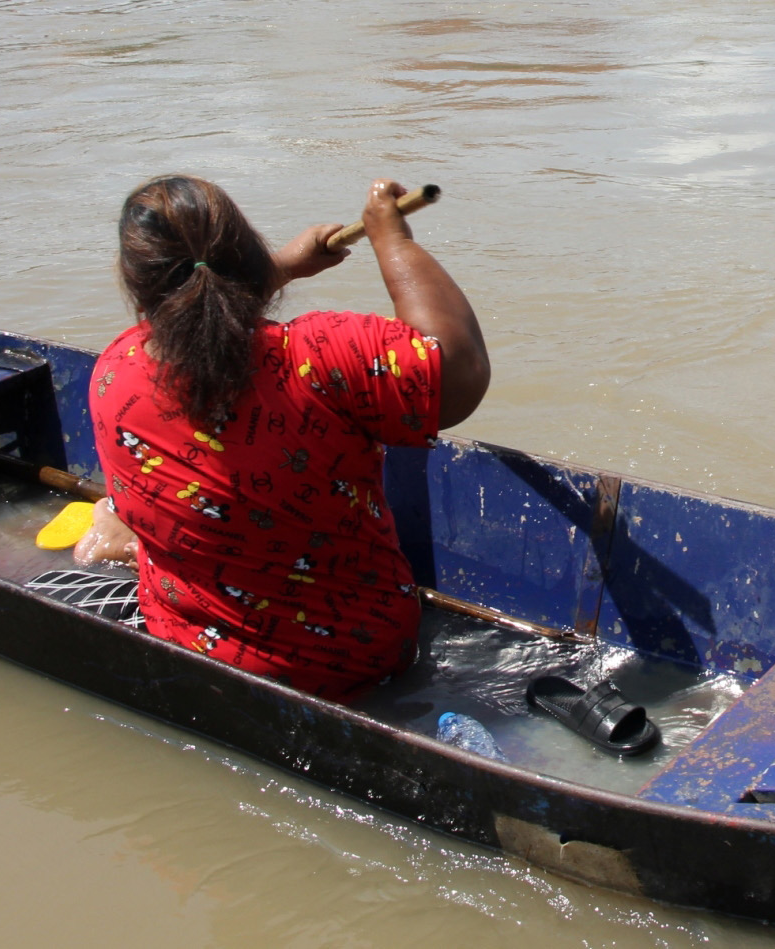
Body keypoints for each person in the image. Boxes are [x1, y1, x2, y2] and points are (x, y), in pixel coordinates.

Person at [84, 175, 489, 700]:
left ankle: (117, 526)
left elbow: (198, 306)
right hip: (355, 661)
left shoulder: (115, 369)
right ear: (247, 252)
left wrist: (279, 269)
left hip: (189, 643)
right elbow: (457, 367)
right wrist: (392, 241)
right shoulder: (318, 357)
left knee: (124, 512)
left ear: (132, 280)